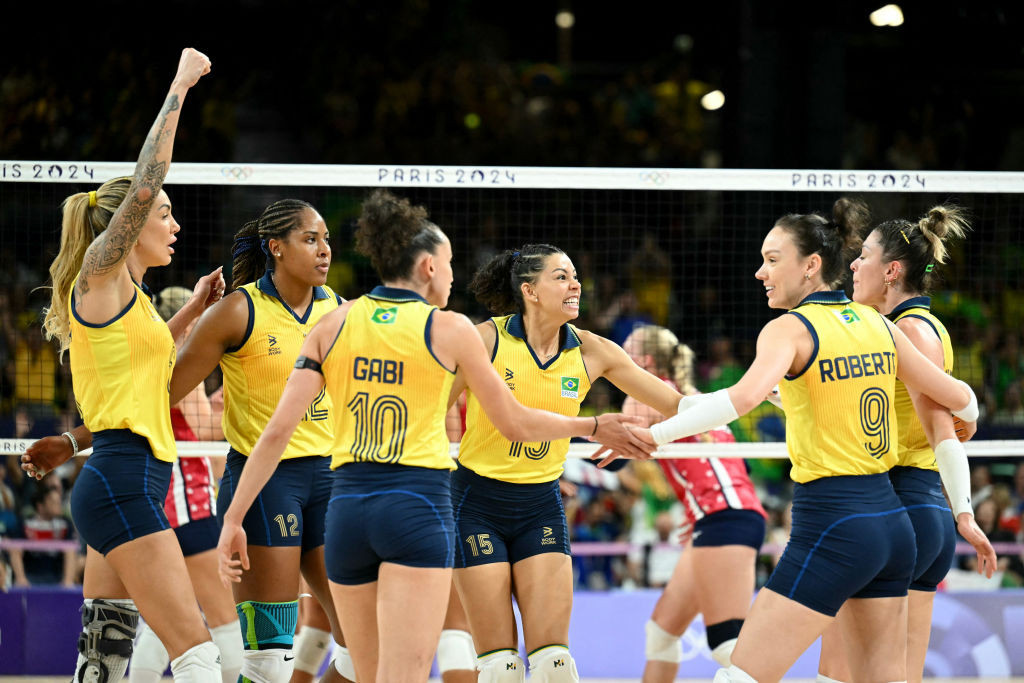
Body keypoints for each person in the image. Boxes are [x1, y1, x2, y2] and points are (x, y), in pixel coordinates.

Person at [216, 190, 648, 683]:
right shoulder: (451, 329)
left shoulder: (333, 320)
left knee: (360, 665)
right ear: (425, 267)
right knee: (403, 673)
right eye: (447, 264)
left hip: (347, 512)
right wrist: (591, 426)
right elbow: (514, 422)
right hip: (416, 508)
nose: (452, 275)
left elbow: (274, 434)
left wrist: (232, 518)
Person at [634, 198, 982, 683]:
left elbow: (739, 400)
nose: (760, 272)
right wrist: (970, 416)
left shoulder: (789, 329)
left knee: (738, 676)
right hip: (893, 525)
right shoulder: (878, 324)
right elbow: (958, 396)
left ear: (811, 265)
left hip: (836, 520)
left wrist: (653, 435)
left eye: (773, 260)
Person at [30, 199, 355, 683]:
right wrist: (74, 440)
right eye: (311, 239)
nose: (325, 250)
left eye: (327, 239)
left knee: (363, 645)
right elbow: (152, 398)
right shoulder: (236, 312)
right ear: (277, 249)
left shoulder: (341, 312)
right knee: (258, 659)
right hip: (262, 487)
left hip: (328, 480)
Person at [31, 48, 223, 683]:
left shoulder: (133, 305)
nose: (172, 223)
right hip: (121, 478)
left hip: (124, 477)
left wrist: (192, 311)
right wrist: (180, 83)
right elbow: (145, 180)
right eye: (162, 214)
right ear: (128, 226)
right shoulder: (100, 275)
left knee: (105, 658)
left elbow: (140, 381)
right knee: (198, 655)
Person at [450, 244, 689, 682]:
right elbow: (434, 411)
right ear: (530, 290)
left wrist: (762, 389)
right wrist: (597, 426)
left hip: (539, 503)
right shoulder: (485, 340)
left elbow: (679, 404)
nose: (575, 283)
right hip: (476, 504)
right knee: (500, 668)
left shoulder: (595, 351)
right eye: (561, 276)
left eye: (575, 275)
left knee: (555, 666)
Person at [620, 325, 766, 683]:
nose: (615, 360)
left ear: (645, 362)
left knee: (728, 646)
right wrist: (694, 508)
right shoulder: (696, 398)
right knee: (662, 633)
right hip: (718, 516)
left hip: (725, 518)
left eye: (625, 352)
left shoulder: (643, 398)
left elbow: (616, 449)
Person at [129, 286, 243, 683]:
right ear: (192, 321)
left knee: (170, 623)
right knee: (224, 617)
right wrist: (237, 391)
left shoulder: (152, 356)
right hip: (186, 503)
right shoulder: (179, 358)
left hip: (159, 501)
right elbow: (207, 429)